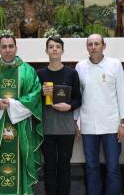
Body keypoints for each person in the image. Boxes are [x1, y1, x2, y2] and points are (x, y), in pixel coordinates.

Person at [0, 35, 43, 195]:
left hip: (20, 129)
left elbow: (35, 95)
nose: (7, 50)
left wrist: (12, 105)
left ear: (16, 48)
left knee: (20, 162)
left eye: (10, 46)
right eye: (4, 47)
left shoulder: (28, 71)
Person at [74, 34, 124, 195]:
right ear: (87, 47)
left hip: (111, 125)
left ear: (104, 46)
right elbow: (79, 96)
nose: (93, 47)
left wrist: (123, 123)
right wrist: (75, 121)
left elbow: (122, 94)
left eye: (97, 44)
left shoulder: (115, 65)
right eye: (90, 44)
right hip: (89, 125)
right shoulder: (80, 66)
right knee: (91, 167)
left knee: (112, 168)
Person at [37, 36, 82, 195]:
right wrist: (41, 93)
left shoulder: (71, 73)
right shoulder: (40, 73)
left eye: (57, 46)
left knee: (64, 165)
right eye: (51, 47)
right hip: (47, 128)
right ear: (46, 50)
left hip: (66, 128)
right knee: (49, 166)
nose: (54, 49)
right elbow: (33, 100)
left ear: (62, 50)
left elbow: (78, 98)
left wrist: (69, 106)